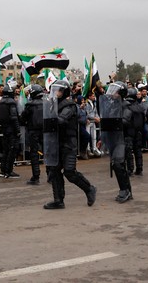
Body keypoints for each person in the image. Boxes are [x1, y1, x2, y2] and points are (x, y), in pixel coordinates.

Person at [42, 80, 97, 209]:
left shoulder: (70, 106)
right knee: (55, 171)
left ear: (64, 91)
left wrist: (51, 118)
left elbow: (61, 120)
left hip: (68, 143)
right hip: (56, 143)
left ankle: (89, 189)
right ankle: (58, 200)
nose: (55, 93)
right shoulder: (53, 104)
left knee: (69, 172)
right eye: (54, 90)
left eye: (58, 90)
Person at [101, 82, 132, 203]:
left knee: (118, 164)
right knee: (117, 165)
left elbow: (125, 120)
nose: (112, 93)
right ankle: (127, 190)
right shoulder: (111, 105)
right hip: (113, 138)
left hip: (123, 139)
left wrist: (114, 121)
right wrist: (102, 138)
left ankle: (125, 190)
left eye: (115, 91)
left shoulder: (126, 105)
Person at [20, 84, 44, 185]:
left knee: (34, 154)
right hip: (45, 131)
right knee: (48, 153)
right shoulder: (46, 103)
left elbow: (22, 118)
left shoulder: (30, 105)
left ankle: (36, 177)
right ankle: (51, 175)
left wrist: (25, 122)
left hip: (33, 131)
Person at [0, 79, 21, 179]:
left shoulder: (1, 102)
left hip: (4, 129)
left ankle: (3, 170)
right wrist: (18, 130)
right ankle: (8, 171)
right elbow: (14, 117)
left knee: (6, 150)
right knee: (12, 150)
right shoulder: (11, 102)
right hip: (12, 130)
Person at [124, 87, 144, 176]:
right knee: (137, 150)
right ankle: (139, 168)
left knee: (129, 151)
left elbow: (125, 120)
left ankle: (130, 169)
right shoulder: (139, 106)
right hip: (138, 131)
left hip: (129, 131)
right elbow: (143, 119)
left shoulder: (126, 106)